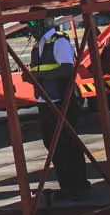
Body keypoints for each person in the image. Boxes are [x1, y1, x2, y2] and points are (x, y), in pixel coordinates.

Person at [26, 20, 91, 201]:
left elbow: (66, 69)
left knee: (68, 144)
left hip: (61, 101)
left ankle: (78, 186)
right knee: (53, 145)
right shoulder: (39, 45)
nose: (30, 27)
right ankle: (67, 186)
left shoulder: (58, 41)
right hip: (44, 101)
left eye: (33, 22)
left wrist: (38, 76)